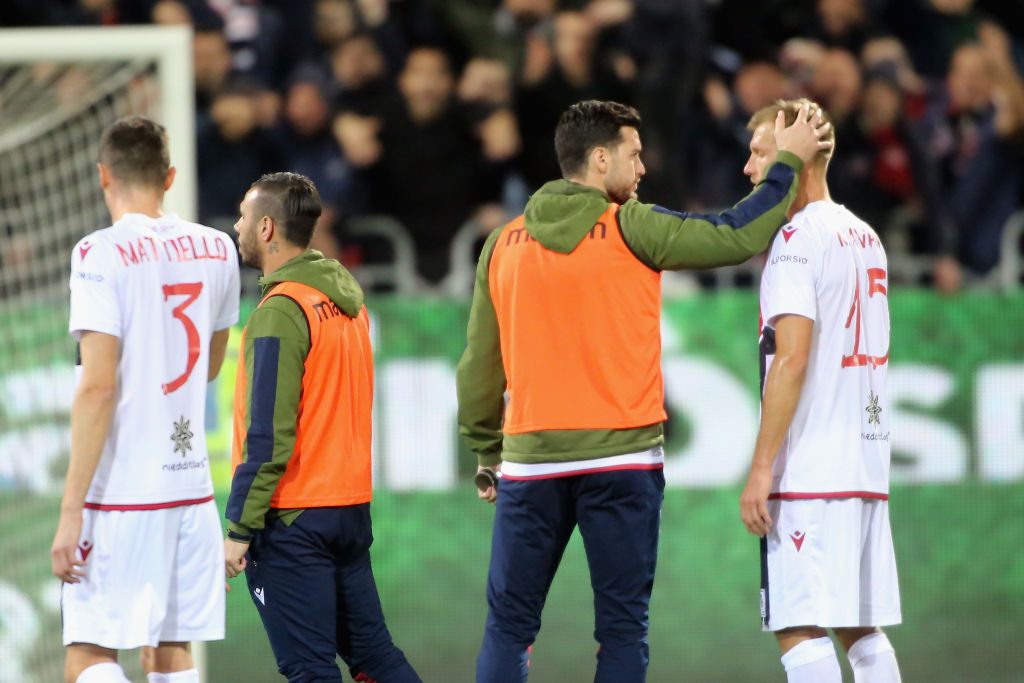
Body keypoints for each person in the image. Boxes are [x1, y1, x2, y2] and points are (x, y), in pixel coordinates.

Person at [456, 99, 831, 683]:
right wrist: (787, 163)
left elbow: (479, 367)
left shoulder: (502, 245)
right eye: (634, 155)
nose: (643, 169)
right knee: (623, 631)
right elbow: (735, 235)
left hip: (530, 466)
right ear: (600, 158)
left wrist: (486, 452)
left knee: (509, 628)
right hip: (622, 461)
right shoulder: (633, 227)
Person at [50, 116, 239, 683]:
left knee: (88, 654)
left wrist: (70, 512)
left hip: (121, 496)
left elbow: (99, 386)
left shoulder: (97, 253)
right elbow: (208, 365)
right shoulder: (217, 248)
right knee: (172, 653)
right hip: (189, 490)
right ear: (170, 176)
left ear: (103, 176)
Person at [223, 172, 421, 683]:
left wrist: (240, 529)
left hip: (294, 518)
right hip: (347, 510)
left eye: (244, 216)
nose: (238, 226)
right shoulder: (346, 304)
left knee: (309, 671)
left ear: (267, 228)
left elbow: (268, 436)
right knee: (376, 659)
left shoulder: (280, 312)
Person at [739, 98, 902, 683]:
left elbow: (792, 359)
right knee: (860, 627)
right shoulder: (865, 235)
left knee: (798, 625)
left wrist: (762, 469)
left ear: (795, 155)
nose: (750, 170)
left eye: (759, 152)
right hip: (863, 466)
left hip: (809, 471)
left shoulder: (795, 239)